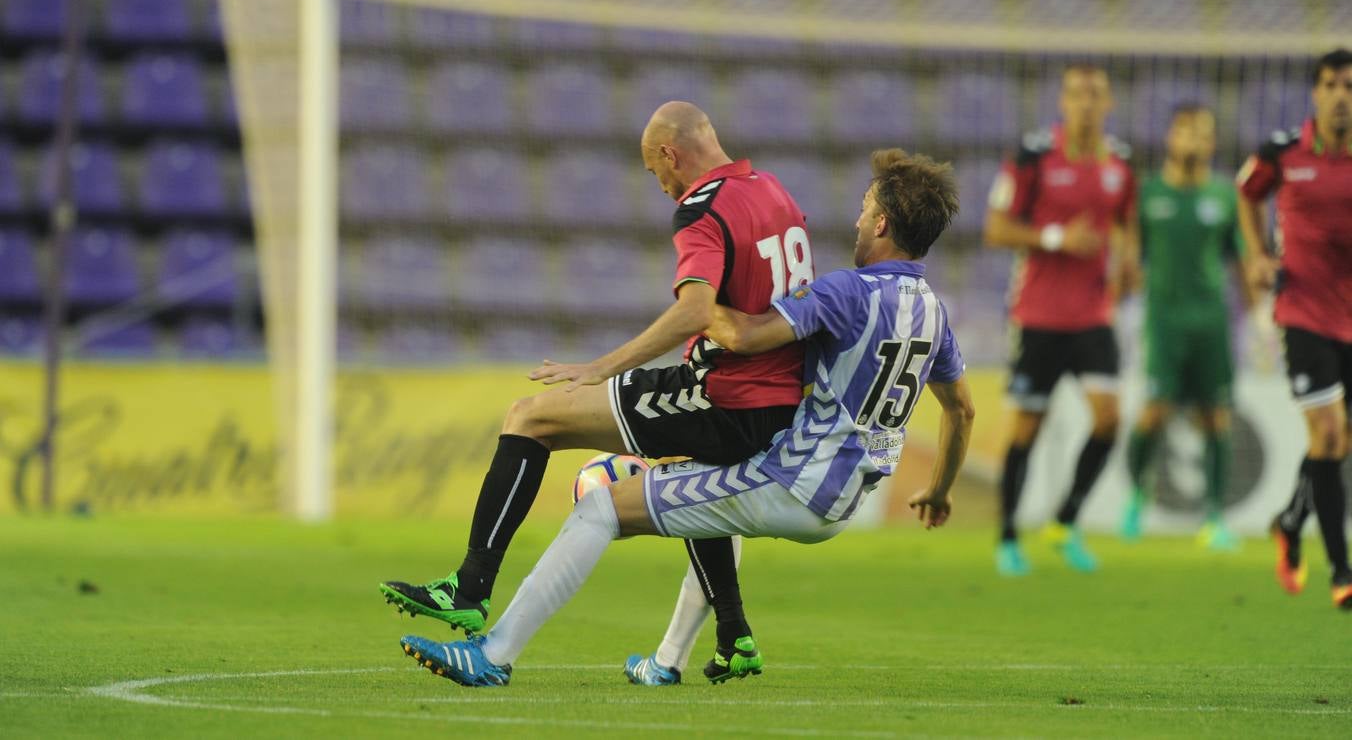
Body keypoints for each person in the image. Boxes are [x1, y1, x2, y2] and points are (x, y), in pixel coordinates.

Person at [397, 149, 975, 687]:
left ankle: (492, 655)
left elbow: (746, 336)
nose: (856, 221)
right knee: (704, 478)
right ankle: (672, 658)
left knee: (600, 504)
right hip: (844, 498)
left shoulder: (847, 292)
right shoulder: (933, 314)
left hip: (792, 484)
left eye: (864, 209)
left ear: (881, 225)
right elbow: (962, 410)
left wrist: (700, 303)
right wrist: (939, 489)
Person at [379, 101, 814, 664]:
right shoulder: (774, 190)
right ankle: (733, 632)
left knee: (531, 416)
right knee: (687, 477)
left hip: (725, 396)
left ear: (668, 153)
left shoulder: (702, 207)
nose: (659, 185)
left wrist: (600, 367)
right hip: (778, 406)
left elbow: (694, 310)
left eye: (653, 170)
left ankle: (468, 589)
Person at [984, 65, 1138, 577]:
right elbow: (996, 227)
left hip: (1093, 315)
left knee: (1110, 418)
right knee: (1029, 426)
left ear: (1109, 102)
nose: (1087, 103)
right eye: (1077, 94)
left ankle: (1066, 520)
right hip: (1039, 316)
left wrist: (1129, 263)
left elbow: (1125, 225)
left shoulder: (1120, 165)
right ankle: (1008, 537)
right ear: (1063, 101)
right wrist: (1056, 239)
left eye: (1096, 94)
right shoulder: (1032, 157)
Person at [1238, 48, 1352, 609]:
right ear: (1316, 93)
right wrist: (1258, 255)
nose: (1340, 96)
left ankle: (1289, 520)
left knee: (1339, 441)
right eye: (1331, 84)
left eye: (1350, 86)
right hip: (1303, 311)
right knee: (1329, 436)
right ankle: (1341, 573)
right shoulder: (1284, 152)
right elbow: (1245, 191)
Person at [1120, 104, 1249, 551]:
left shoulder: (1225, 196)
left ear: (1212, 143)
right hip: (1164, 322)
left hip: (1213, 323)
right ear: (1171, 138)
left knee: (1215, 417)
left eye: (1202, 133)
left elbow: (1241, 261)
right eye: (1185, 131)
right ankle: (1136, 497)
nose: (1193, 140)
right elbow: (1129, 255)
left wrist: (1261, 321)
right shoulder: (1147, 193)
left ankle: (1214, 518)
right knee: (1154, 412)